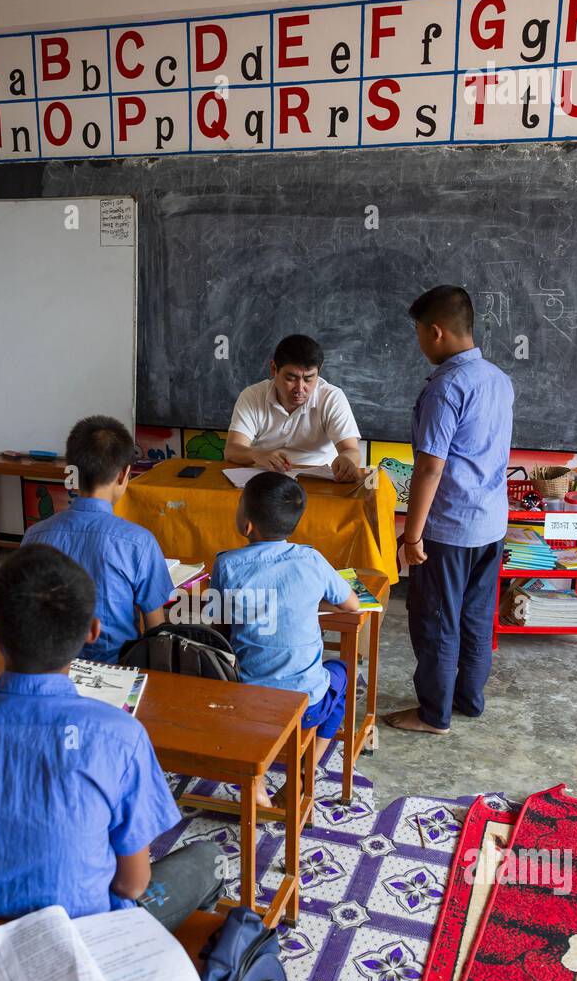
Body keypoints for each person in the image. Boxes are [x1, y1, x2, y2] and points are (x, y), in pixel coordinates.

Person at [0, 544, 221, 930]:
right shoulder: (121, 737)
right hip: (85, 936)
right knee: (209, 856)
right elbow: (131, 884)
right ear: (93, 631)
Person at [385, 284, 514, 736]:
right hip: (491, 522)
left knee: (436, 620)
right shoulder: (499, 379)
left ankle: (433, 714)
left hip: (450, 527)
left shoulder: (446, 387)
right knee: (476, 616)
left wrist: (413, 535)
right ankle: (469, 701)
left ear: (436, 332)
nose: (419, 342)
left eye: (419, 333)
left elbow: (429, 469)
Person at [209, 473, 359, 806]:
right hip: (305, 708)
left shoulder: (227, 565)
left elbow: (219, 626)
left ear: (247, 525)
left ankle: (257, 782)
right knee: (343, 674)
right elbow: (352, 605)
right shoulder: (311, 559)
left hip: (246, 707)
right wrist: (306, 600)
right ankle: (304, 773)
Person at [22, 415, 173, 663]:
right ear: (124, 475)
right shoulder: (139, 543)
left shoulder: (34, 535)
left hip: (50, 665)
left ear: (72, 471)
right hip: (117, 671)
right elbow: (157, 632)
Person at [225, 334, 363, 481]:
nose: (300, 388)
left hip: (317, 481)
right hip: (266, 479)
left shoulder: (331, 397)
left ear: (319, 370)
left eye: (308, 379)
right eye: (290, 378)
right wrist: (256, 454)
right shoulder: (253, 396)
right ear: (274, 368)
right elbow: (232, 450)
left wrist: (347, 459)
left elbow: (351, 450)